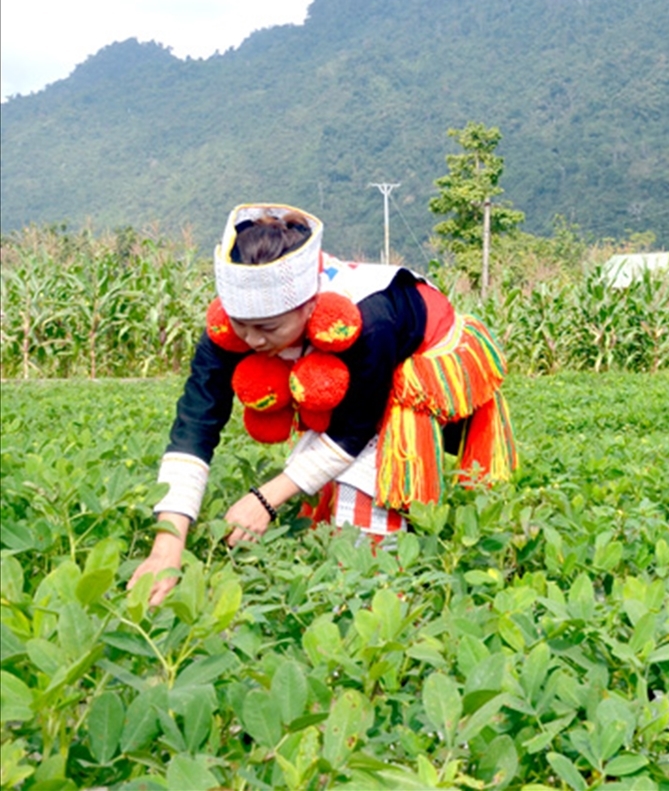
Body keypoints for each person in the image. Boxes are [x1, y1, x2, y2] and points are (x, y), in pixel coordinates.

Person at [129, 204, 517, 606]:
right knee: (319, 469)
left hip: (417, 355)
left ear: (310, 306)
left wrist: (265, 499)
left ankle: (383, 592)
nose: (253, 341)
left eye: (268, 329)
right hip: (347, 364)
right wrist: (166, 547)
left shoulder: (371, 319)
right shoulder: (235, 324)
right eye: (242, 326)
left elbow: (354, 429)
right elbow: (195, 424)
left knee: (363, 487)